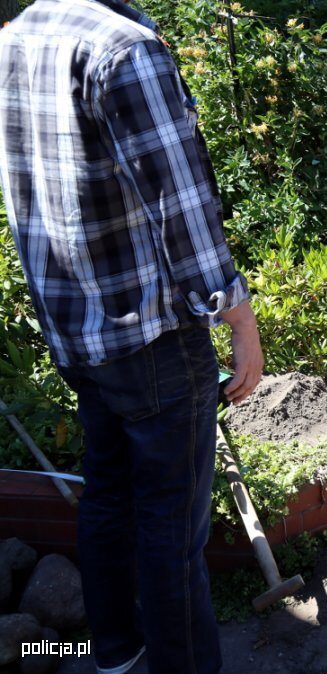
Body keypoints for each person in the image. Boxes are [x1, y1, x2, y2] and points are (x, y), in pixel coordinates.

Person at [0, 1, 263, 672]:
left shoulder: (22, 33)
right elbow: (182, 206)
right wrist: (240, 318)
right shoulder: (122, 48)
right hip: (150, 336)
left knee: (109, 492)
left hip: (74, 325)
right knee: (172, 534)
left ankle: (114, 649)